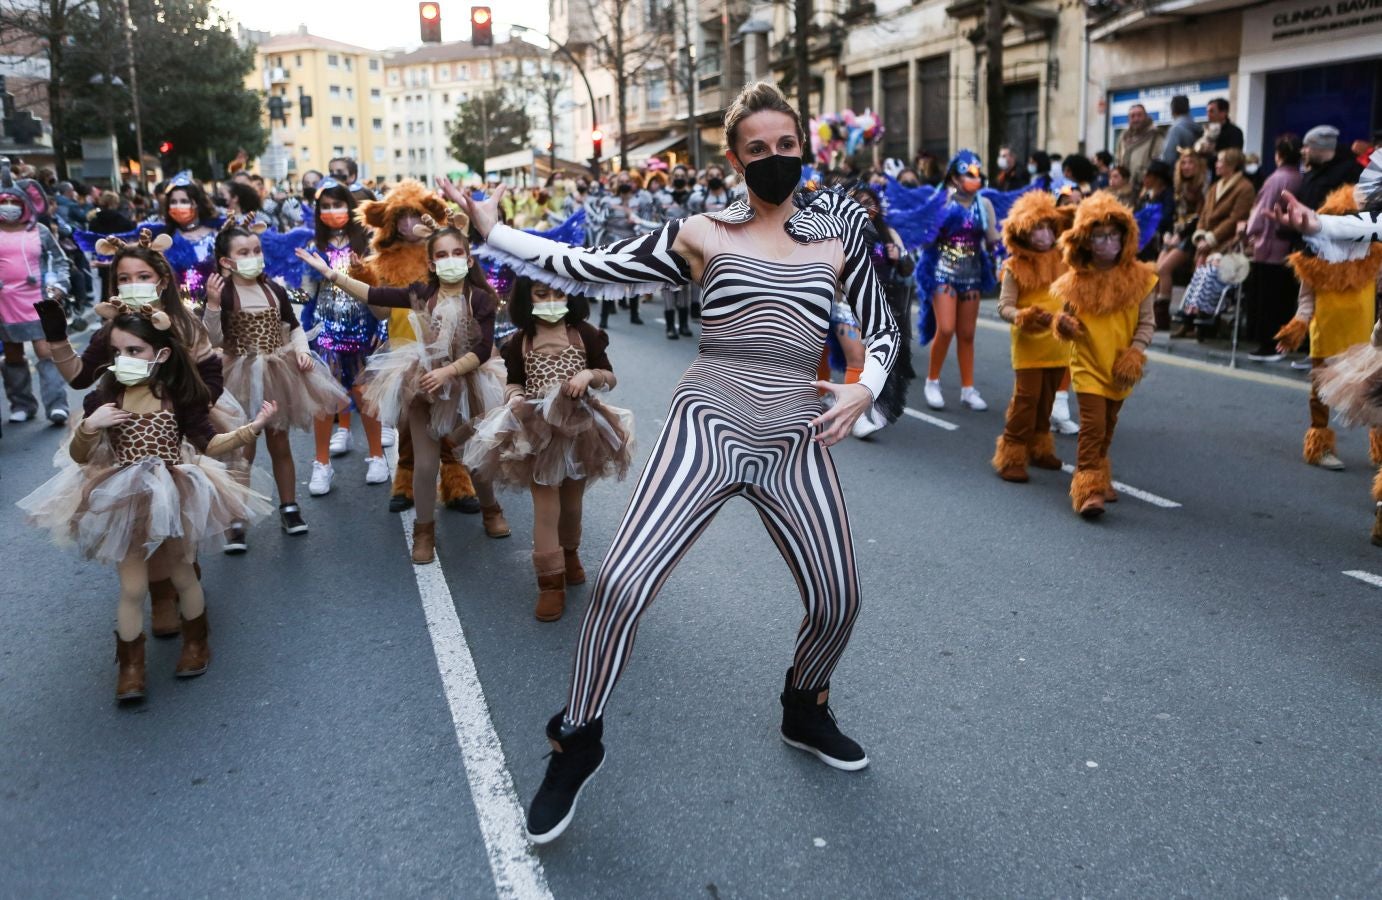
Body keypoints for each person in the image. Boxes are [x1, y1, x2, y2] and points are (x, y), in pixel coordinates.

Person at [457, 80, 898, 843]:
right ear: (734, 160)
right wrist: (496, 233)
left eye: (786, 145)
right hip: (709, 420)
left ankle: (805, 705)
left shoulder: (841, 231)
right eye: (757, 148)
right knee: (623, 584)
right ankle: (576, 738)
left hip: (795, 432)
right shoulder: (702, 229)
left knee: (840, 599)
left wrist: (866, 386)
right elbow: (588, 265)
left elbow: (883, 326)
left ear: (804, 148)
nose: (774, 157)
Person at [17, 310, 275, 702]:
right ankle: (131, 666)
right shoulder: (104, 397)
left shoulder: (179, 397)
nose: (124, 359)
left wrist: (250, 429)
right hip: (123, 495)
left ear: (161, 355)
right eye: (117, 351)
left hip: (174, 491)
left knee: (182, 572)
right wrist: (90, 426)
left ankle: (196, 642)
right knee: (133, 586)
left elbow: (209, 443)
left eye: (135, 350)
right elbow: (80, 455)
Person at [297, 214, 508, 564]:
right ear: (431, 263)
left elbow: (483, 349)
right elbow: (374, 293)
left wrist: (450, 372)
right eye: (442, 255)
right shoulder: (421, 293)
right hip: (423, 384)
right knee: (425, 464)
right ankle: (424, 531)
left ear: (469, 260)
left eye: (458, 253)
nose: (451, 260)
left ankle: (491, 509)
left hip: (470, 384)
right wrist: (333, 275)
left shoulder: (481, 298)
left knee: (476, 457)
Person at [464, 277, 634, 621]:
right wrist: (514, 396)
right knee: (545, 507)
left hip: (580, 429)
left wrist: (589, 376)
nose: (552, 301)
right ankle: (549, 583)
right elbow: (514, 381)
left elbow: (609, 376)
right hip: (537, 432)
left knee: (571, 504)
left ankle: (569, 553)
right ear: (528, 299)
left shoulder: (584, 333)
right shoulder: (519, 341)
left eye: (559, 294)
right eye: (542, 295)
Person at [203, 220, 348, 549]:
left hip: (276, 373)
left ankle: (289, 507)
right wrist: (212, 305)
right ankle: (235, 517)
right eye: (244, 252)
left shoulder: (273, 290)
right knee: (242, 447)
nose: (253, 257)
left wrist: (302, 351)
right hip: (238, 377)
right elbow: (212, 339)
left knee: (279, 443)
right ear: (226, 261)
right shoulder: (224, 294)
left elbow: (293, 326)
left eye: (256, 250)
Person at [350, 180, 486, 518]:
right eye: (401, 218)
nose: (409, 224)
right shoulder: (383, 262)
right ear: (390, 223)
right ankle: (405, 482)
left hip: (449, 351)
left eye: (415, 215)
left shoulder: (441, 253)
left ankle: (457, 483)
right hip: (404, 352)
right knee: (409, 426)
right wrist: (365, 279)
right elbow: (381, 311)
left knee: (452, 421)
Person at [1050, 193, 1157, 519]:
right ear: (1086, 239)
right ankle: (1087, 489)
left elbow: (1147, 323)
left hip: (1119, 367)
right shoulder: (1075, 280)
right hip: (1087, 364)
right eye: (1098, 236)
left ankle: (1100, 473)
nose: (1106, 243)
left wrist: (1135, 352)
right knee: (1092, 426)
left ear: (1125, 238)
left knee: (1108, 426)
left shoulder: (1142, 279)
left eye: (1113, 236)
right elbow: (1064, 318)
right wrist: (1063, 324)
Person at [1273, 185, 1382, 472]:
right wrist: (1298, 325)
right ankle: (1319, 446)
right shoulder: (1316, 260)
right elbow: (1306, 301)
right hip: (1327, 335)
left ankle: (1380, 447)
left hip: (1363, 340)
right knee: (1321, 394)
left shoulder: (1373, 258)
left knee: (1373, 395)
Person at [298, 180, 388, 496]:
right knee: (325, 399)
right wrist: (281, 293)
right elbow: (307, 295)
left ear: (349, 208)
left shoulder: (369, 243)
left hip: (364, 332)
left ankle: (377, 456)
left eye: (338, 205)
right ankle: (321, 464)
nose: (332, 211)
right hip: (325, 334)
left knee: (365, 395)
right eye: (325, 206)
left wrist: (382, 329)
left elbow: (381, 292)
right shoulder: (313, 246)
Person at [993, 190, 1069, 483]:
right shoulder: (1014, 266)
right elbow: (1004, 307)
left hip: (1057, 343)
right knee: (1026, 400)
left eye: (1049, 227)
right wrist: (1023, 315)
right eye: (1037, 228)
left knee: (1047, 399)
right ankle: (1011, 454)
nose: (1044, 235)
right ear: (1023, 231)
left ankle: (1040, 447)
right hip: (1028, 345)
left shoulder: (1063, 260)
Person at [920, 150, 1000, 412]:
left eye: (977, 174)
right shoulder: (941, 201)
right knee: (945, 329)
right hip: (943, 272)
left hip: (972, 275)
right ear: (955, 177)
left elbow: (992, 239)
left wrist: (1006, 243)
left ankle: (968, 389)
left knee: (967, 334)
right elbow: (927, 241)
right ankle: (932, 382)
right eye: (969, 174)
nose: (974, 179)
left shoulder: (984, 205)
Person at [0, 165, 71, 425]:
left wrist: (59, 286)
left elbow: (60, 261)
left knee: (45, 351)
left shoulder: (39, 231)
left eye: (14, 202)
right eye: (4, 202)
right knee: (13, 353)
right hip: (4, 304)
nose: (9, 207)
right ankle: (22, 404)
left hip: (38, 301)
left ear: (25, 203)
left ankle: (57, 405)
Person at [1172, 148, 1257, 335]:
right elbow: (1204, 214)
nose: (1216, 165)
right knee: (1198, 276)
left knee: (1211, 278)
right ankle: (1190, 317)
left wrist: (1212, 238)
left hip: (1225, 243)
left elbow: (1235, 218)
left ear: (1232, 165)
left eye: (1220, 161)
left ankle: (1204, 319)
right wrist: (1201, 235)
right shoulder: (1215, 186)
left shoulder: (1245, 188)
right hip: (1207, 242)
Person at [1241, 136, 1304, 360]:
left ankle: (1269, 344)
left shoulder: (1276, 179)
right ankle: (1285, 343)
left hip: (1269, 244)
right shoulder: (1300, 178)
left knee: (1267, 300)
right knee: (1285, 299)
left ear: (1279, 155)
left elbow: (1262, 211)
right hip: (1290, 244)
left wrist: (1248, 232)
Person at [1152, 150, 1207, 320]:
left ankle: (1162, 315)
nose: (1186, 166)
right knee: (1155, 270)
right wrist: (1168, 233)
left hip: (1191, 237)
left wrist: (1180, 235)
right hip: (1176, 232)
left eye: (1190, 163)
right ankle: (1154, 311)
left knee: (1164, 268)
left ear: (1198, 166)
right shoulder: (1178, 187)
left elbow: (1200, 217)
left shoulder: (1202, 188)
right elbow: (1174, 215)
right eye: (1183, 163)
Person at [1159, 95, 1203, 165]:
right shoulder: (1197, 128)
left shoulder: (1176, 129)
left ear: (1172, 110)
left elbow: (1168, 157)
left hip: (1179, 169)